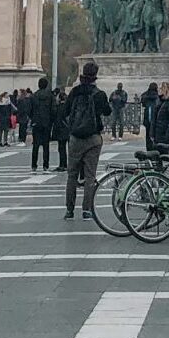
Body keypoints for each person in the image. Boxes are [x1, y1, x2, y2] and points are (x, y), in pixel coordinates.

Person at [63, 60, 111, 220]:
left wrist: (71, 127)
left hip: (76, 137)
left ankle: (69, 210)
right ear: (96, 75)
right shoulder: (99, 94)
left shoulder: (75, 92)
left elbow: (64, 112)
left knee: (72, 175)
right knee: (90, 176)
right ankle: (87, 210)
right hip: (93, 138)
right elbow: (107, 111)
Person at [28, 77, 55, 171]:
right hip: (46, 123)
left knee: (35, 145)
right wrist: (51, 121)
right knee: (46, 145)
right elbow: (53, 110)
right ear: (46, 85)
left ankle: (34, 165)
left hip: (36, 122)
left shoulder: (34, 96)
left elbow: (30, 110)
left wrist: (33, 119)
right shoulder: (50, 96)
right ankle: (45, 165)